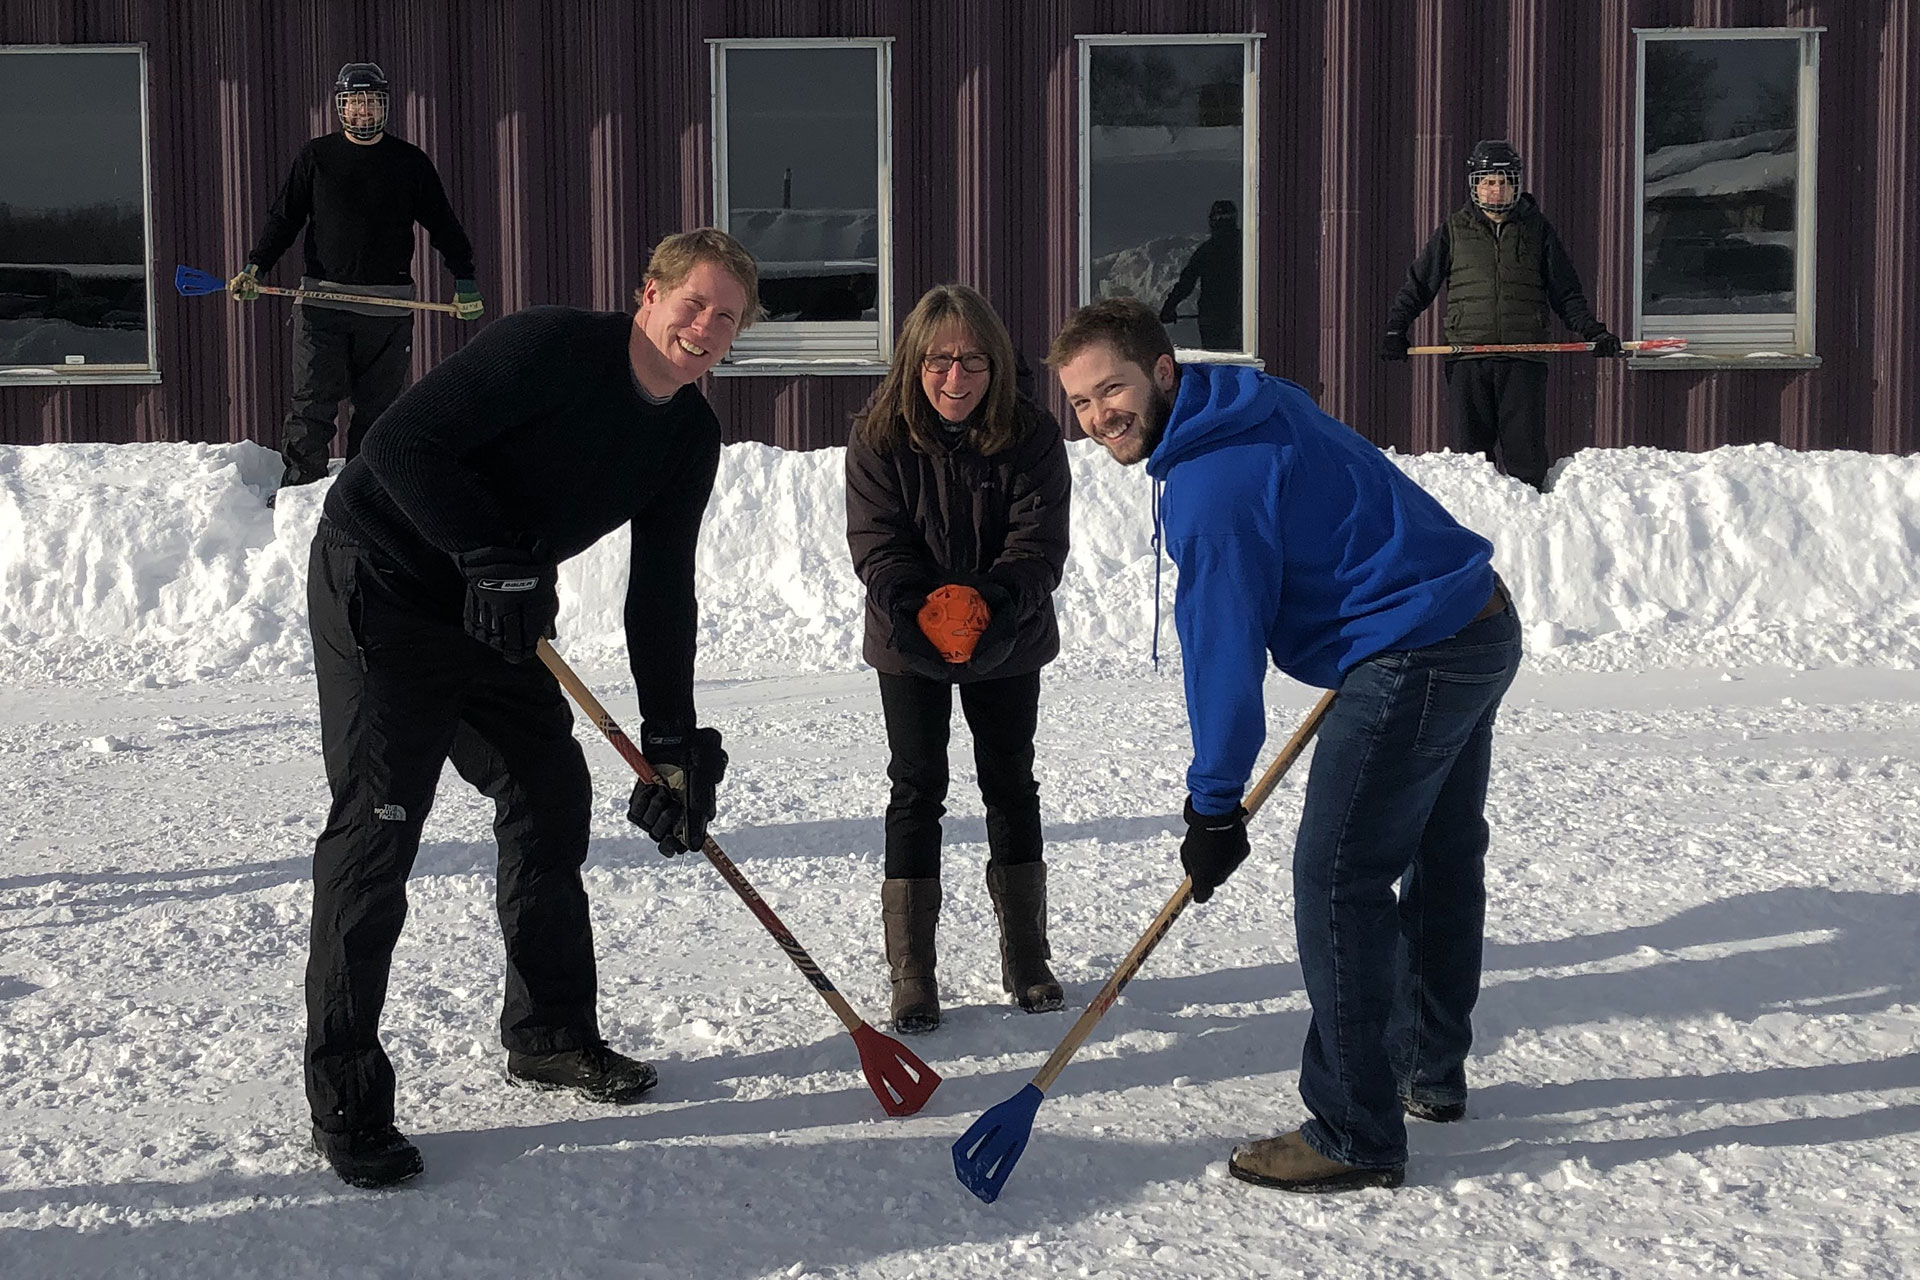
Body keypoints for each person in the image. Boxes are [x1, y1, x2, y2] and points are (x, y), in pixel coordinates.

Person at [301, 228, 759, 1189]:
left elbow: (661, 590)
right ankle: (346, 1091)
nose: (706, 327)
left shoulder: (687, 435)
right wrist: (487, 554)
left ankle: (549, 1031)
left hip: (494, 606)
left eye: (727, 316)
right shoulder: (549, 347)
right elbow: (399, 443)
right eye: (694, 303)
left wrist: (670, 741)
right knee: (380, 829)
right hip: (381, 581)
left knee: (551, 792)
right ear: (648, 293)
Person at [1050, 297, 1522, 1193]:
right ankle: (1426, 1068)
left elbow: (1224, 660)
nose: (1097, 416)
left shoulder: (1211, 489)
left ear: (1160, 372)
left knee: (1339, 875)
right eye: (1078, 402)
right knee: (1438, 853)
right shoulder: (1251, 399)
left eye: (1110, 388)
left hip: (1416, 649)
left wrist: (1214, 803)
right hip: (1473, 619)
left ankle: (1355, 1128)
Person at [845, 284, 1072, 1034]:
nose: (956, 377)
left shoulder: (1032, 434)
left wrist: (999, 605)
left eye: (973, 359)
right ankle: (913, 972)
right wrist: (911, 607)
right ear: (915, 362)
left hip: (1008, 635)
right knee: (917, 789)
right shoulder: (879, 435)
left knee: (1010, 783)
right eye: (940, 359)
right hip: (907, 639)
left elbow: (1039, 542)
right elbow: (876, 540)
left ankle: (1027, 955)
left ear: (996, 364)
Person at [230, 62, 484, 494]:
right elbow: (284, 218)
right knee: (312, 407)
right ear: (340, 107)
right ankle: (298, 496)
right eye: (354, 102)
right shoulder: (316, 158)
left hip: (387, 309)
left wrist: (465, 280)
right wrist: (257, 265)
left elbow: (444, 225)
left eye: (370, 102)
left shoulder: (409, 163)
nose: (362, 111)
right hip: (321, 306)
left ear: (384, 106)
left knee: (377, 412)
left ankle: (363, 496)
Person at [1379, 139, 1620, 492]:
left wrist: (1593, 332)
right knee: (1472, 460)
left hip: (1524, 357)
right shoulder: (1454, 230)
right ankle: (1480, 523)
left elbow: (1566, 293)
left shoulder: (1538, 230)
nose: (1496, 190)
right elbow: (1419, 285)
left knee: (1526, 456)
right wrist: (1396, 329)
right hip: (1467, 358)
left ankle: (1531, 529)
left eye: (1504, 181)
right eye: (1488, 182)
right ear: (1475, 185)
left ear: (1516, 185)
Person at [1158, 199, 1242, 351]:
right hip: (1242, 318)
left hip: (1213, 318)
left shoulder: (1208, 251)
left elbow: (1186, 283)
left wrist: (1169, 308)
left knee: (1218, 360)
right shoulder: (1249, 249)